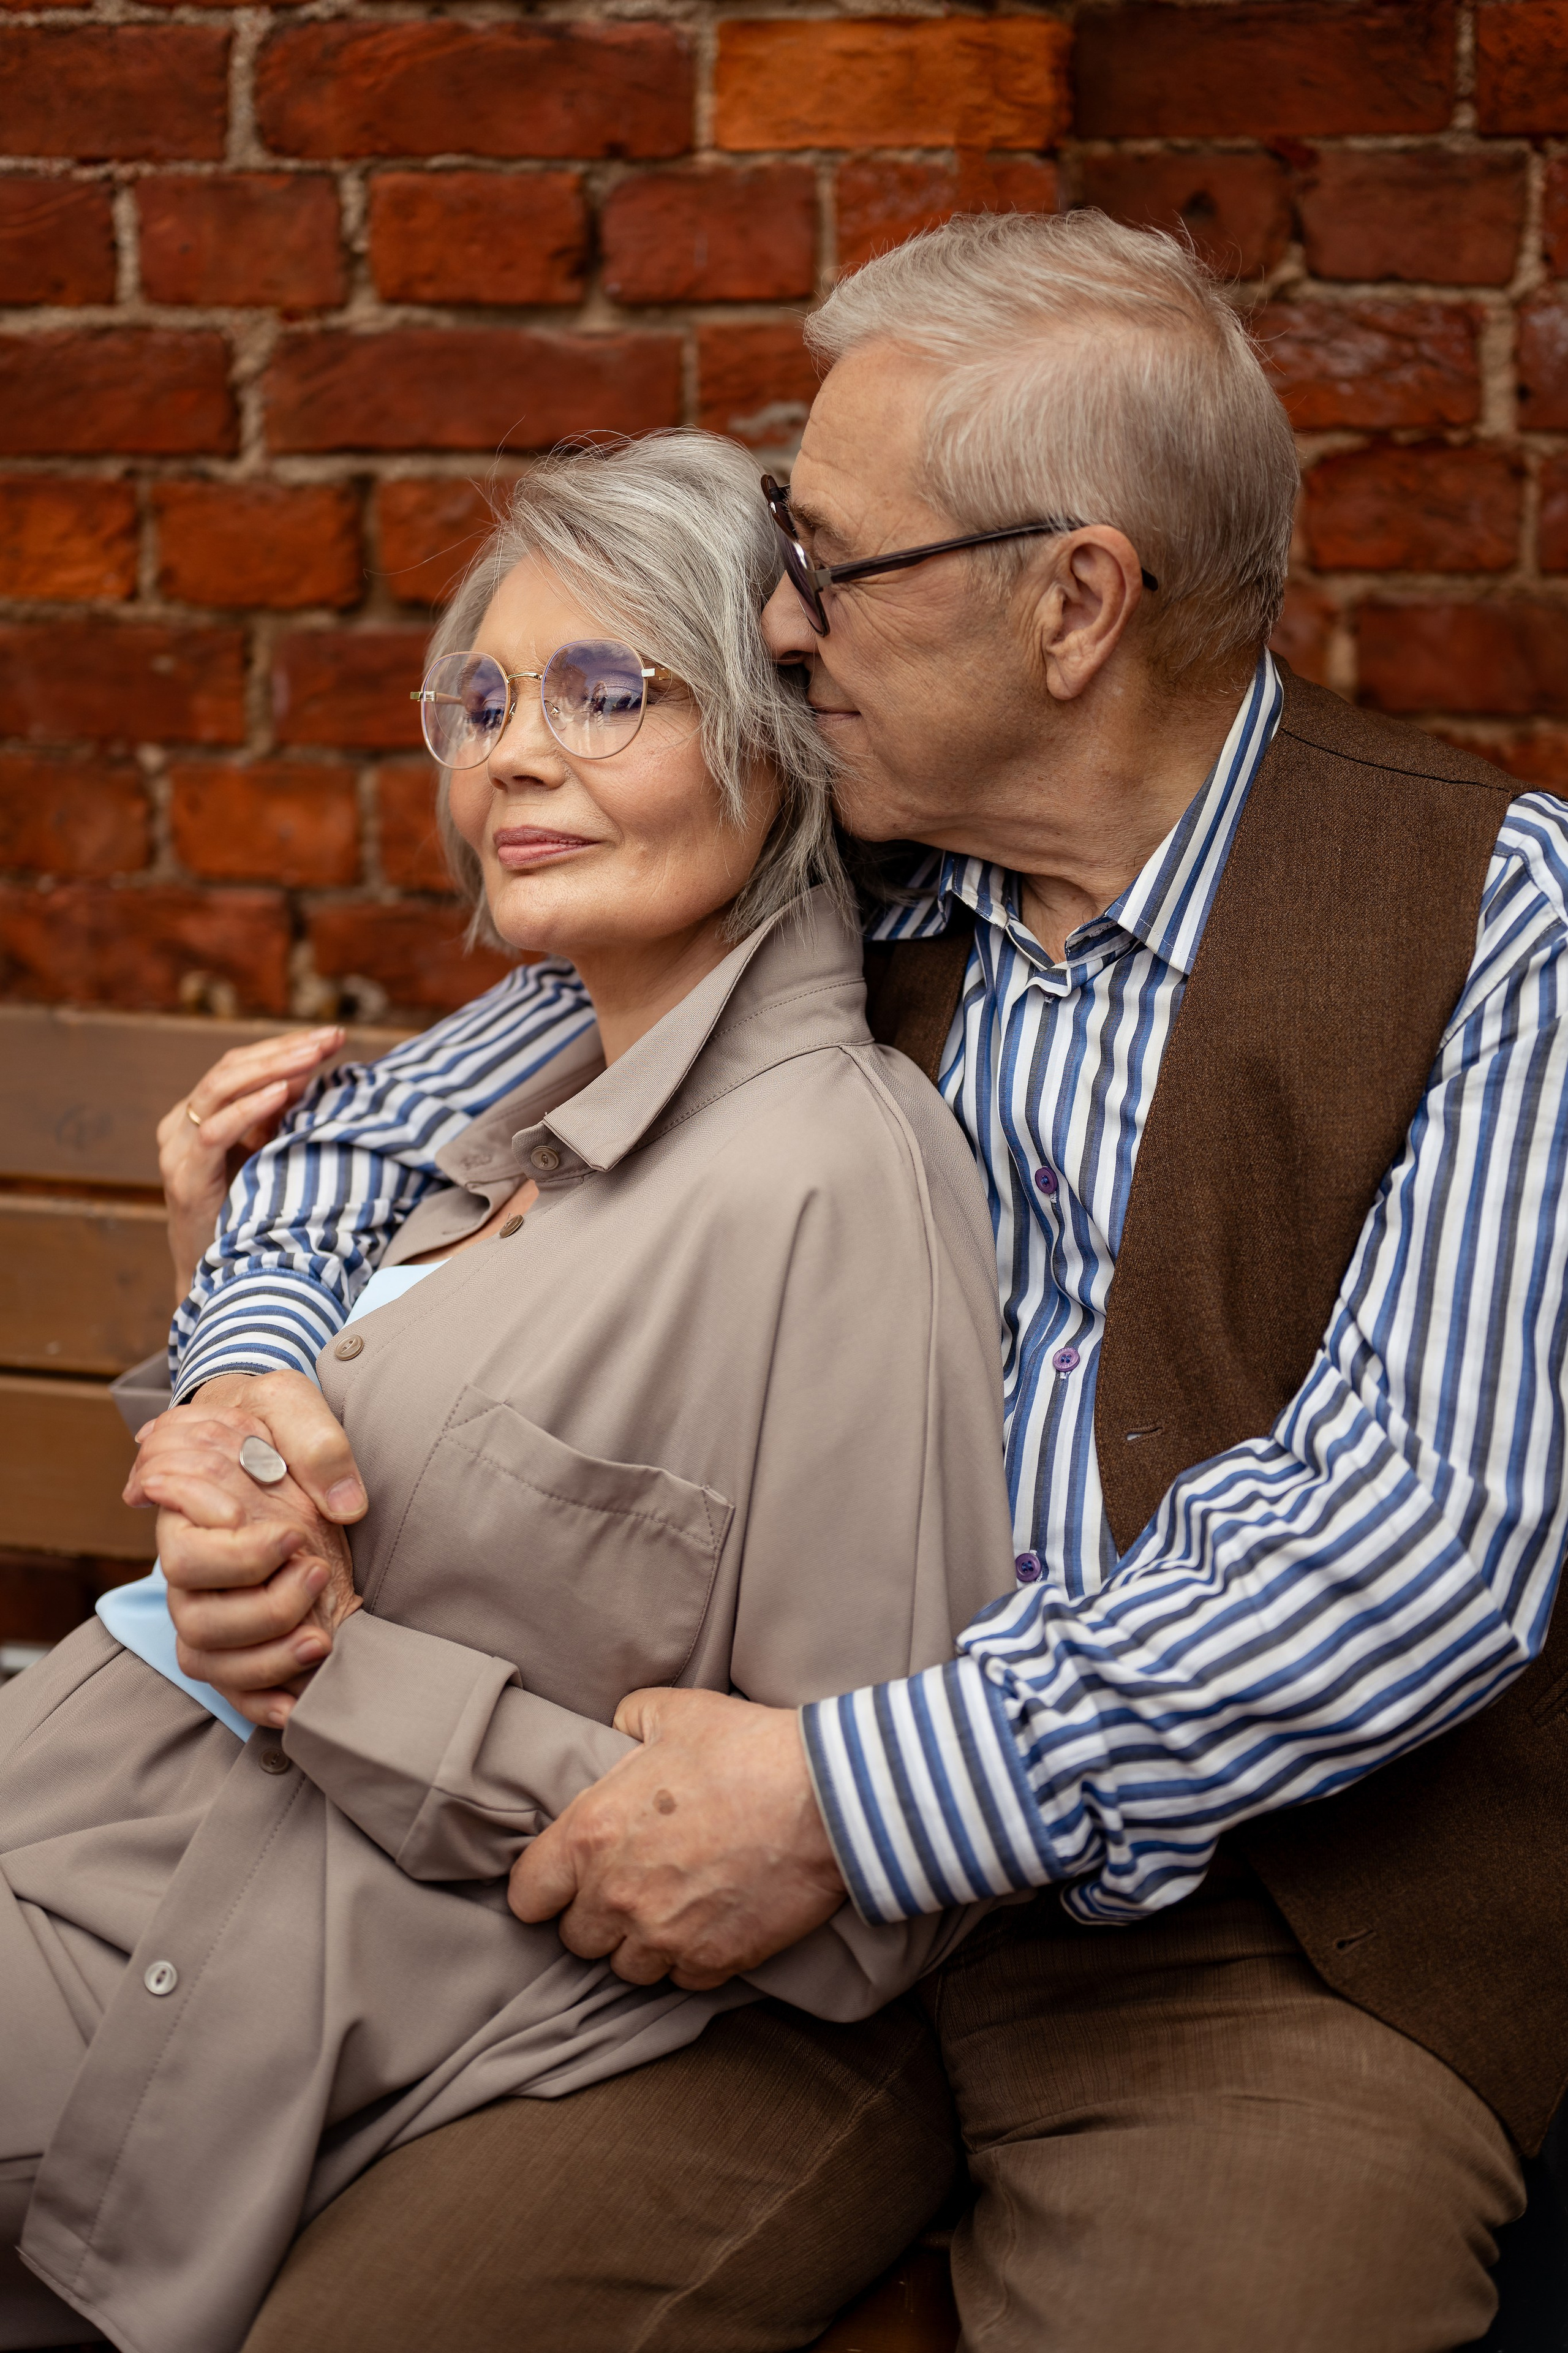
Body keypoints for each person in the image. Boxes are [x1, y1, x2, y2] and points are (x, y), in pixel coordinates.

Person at [134, 212, 1568, 2352]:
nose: (781, 629)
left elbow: (1428, 1532)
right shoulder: (840, 858)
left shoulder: (1493, 917)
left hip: (1256, 1932)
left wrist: (843, 1797)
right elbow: (351, 1133)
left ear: (1076, 600)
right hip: (740, 1910)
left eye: (832, 560)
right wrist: (253, 1406)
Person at [0, 433, 1019, 2353]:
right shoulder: (512, 1083)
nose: (508, 753)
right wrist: (227, 1399)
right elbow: (400, 1442)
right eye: (477, 698)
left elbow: (854, 1880)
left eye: (603, 688)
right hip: (81, 1805)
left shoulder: (828, 1183)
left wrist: (326, 1663)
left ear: (777, 732)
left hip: (221, 1947)